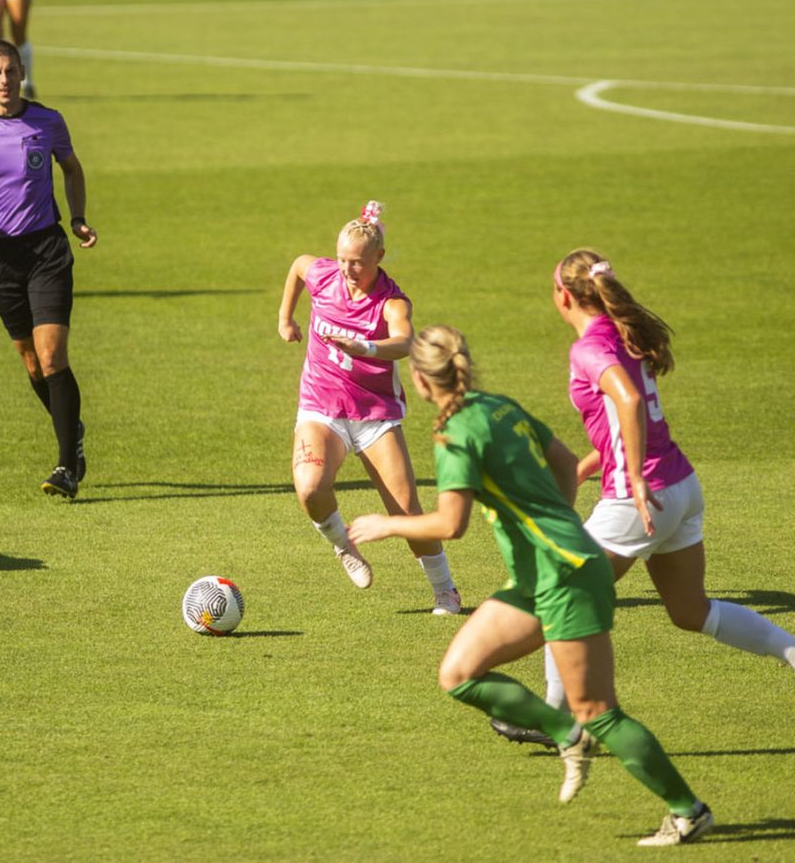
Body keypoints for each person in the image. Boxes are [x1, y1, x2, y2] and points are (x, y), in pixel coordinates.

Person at [349, 325, 714, 847]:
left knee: (599, 711)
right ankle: (565, 733)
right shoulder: (500, 405)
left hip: (563, 574)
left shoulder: (454, 433)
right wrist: (554, 521)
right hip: (539, 573)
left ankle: (688, 811)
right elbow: (567, 461)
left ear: (421, 380)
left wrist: (388, 525)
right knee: (458, 673)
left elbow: (451, 524)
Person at [492, 249, 795, 746]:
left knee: (559, 591)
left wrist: (630, 476)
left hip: (642, 497)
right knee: (689, 611)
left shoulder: (590, 348)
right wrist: (596, 464)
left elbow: (629, 402)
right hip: (680, 487)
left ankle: (556, 718)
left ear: (562, 296)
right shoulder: (622, 334)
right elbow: (624, 420)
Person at [277, 202, 460, 612]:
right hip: (321, 405)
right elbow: (297, 266)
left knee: (406, 513)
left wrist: (366, 347)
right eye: (343, 259)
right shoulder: (324, 274)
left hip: (374, 416)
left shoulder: (391, 303)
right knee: (309, 487)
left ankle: (445, 589)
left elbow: (405, 342)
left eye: (357, 262)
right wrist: (285, 318)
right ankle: (344, 546)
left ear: (378, 257)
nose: (348, 269)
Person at [0, 40, 95, 499]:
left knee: (51, 358)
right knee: (30, 361)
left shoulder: (47, 121)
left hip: (47, 250)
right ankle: (73, 431)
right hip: (0, 256)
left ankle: (67, 466)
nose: (4, 80)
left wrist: (78, 218)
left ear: (22, 72)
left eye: (11, 71)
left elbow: (72, 169)